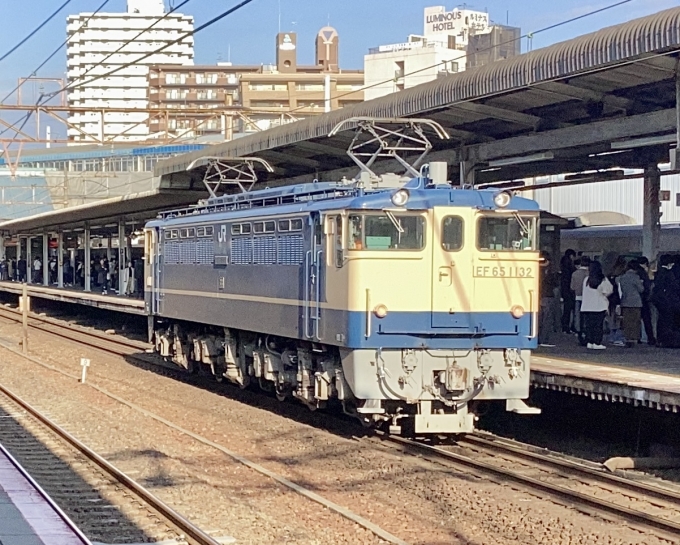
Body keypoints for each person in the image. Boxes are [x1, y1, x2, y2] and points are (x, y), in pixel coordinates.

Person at [581, 261, 613, 350]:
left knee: (589, 326)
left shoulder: (586, 280)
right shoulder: (602, 279)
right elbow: (608, 290)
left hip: (587, 306)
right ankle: (597, 342)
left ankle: (589, 341)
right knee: (598, 326)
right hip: (599, 306)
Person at [651, 255, 680, 347]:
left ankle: (662, 340)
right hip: (669, 302)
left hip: (661, 302)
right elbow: (674, 287)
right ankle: (670, 341)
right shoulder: (668, 273)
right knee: (669, 322)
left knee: (662, 322)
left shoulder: (659, 272)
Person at [617, 260, 644, 347]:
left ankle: (627, 338)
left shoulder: (622, 277)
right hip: (636, 302)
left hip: (625, 301)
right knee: (635, 321)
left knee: (627, 321)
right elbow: (641, 289)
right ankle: (634, 338)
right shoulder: (635, 277)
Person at [539, 251, 559, 347]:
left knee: (539, 319)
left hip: (537, 296)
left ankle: (538, 338)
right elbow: (555, 283)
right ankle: (544, 340)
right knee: (547, 319)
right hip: (547, 296)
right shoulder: (549, 271)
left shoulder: (535, 268)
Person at [571, 255, 590, 346]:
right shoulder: (590, 273)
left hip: (578, 297)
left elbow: (572, 287)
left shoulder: (575, 274)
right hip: (589, 298)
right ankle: (587, 333)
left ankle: (579, 333)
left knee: (578, 317)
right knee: (587, 318)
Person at [636, 257, 656, 345]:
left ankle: (638, 337)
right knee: (647, 319)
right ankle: (650, 338)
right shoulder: (643, 273)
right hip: (643, 299)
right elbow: (646, 287)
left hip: (636, 299)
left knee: (637, 320)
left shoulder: (636, 272)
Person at [560, 249, 576, 333]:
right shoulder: (570, 267)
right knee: (570, 309)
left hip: (565, 289)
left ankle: (565, 326)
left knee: (567, 310)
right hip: (569, 290)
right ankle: (569, 326)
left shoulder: (563, 265)